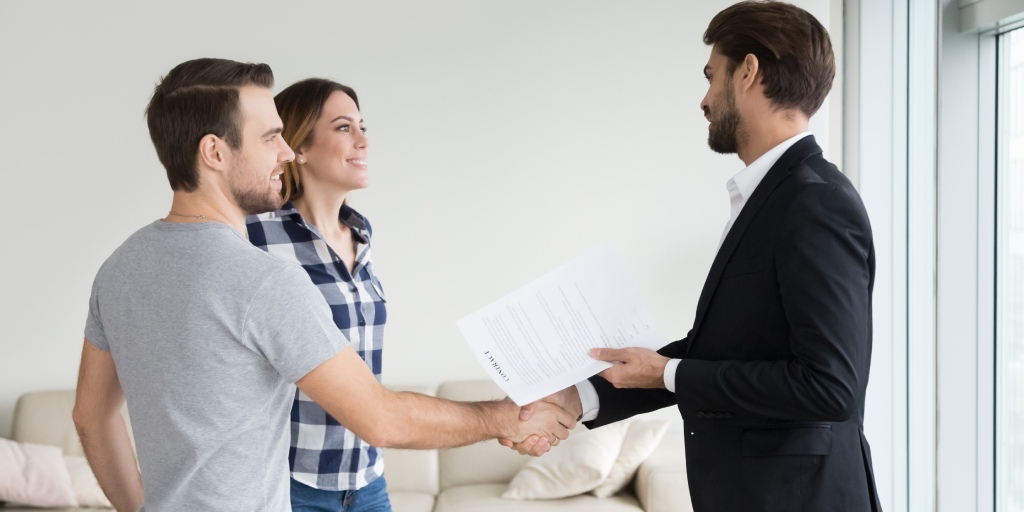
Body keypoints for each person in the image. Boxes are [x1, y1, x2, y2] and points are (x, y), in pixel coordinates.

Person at [71, 58, 575, 512]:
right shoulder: (263, 280)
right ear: (215, 153)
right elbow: (380, 419)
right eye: (270, 137)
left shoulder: (119, 268)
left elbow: (90, 418)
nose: (286, 152)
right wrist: (503, 417)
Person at [508, 2, 882, 511]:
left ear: (748, 73)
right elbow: (731, 351)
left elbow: (829, 386)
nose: (704, 99)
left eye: (712, 76)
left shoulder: (814, 201)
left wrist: (664, 372)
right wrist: (580, 398)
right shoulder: (774, 195)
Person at [244, 78, 390, 511]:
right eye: (344, 128)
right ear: (298, 147)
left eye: (363, 127)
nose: (363, 141)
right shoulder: (256, 235)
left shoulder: (361, 235)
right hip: (292, 484)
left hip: (367, 481)